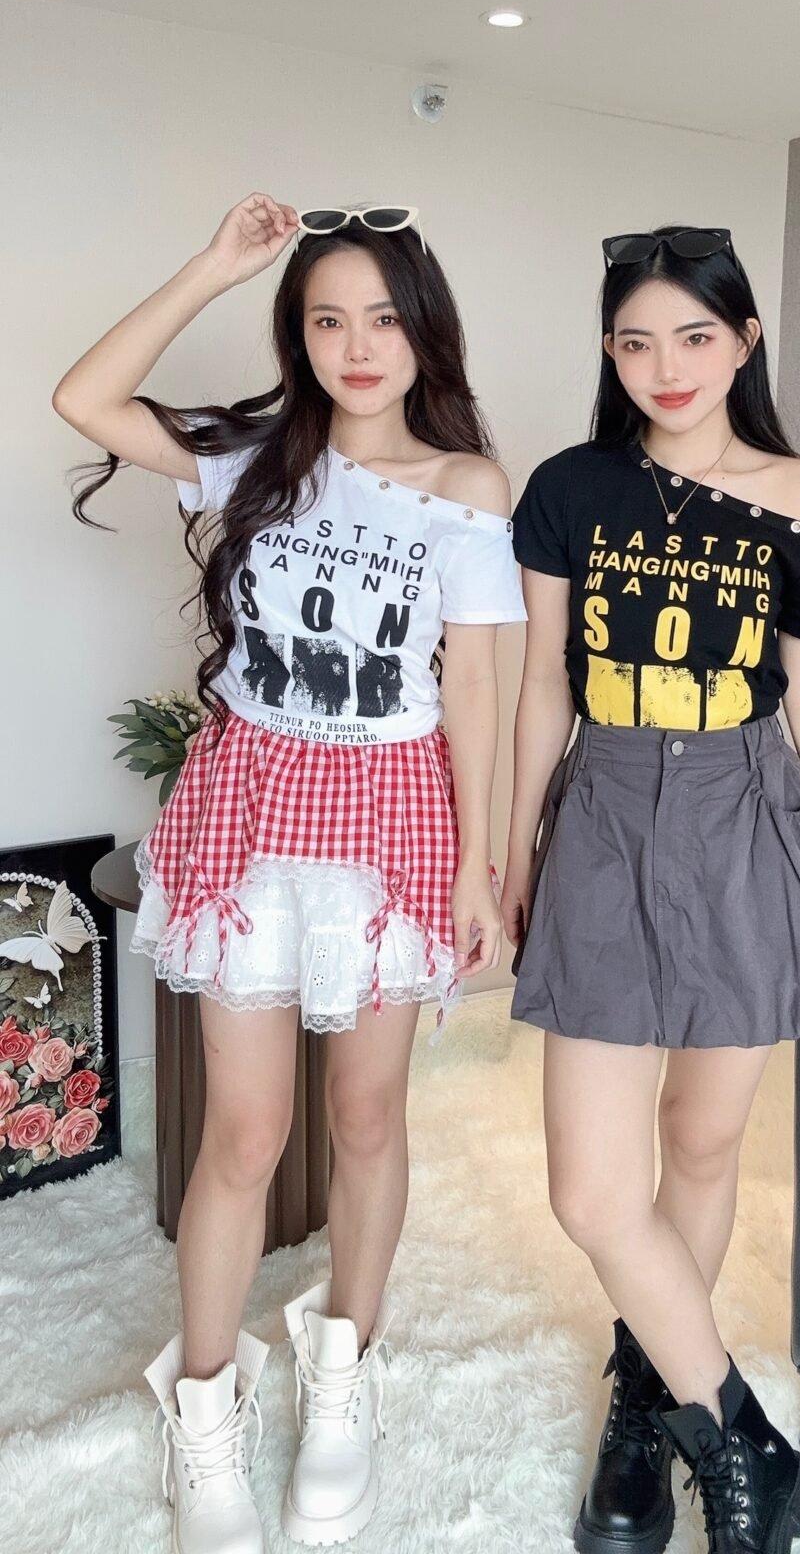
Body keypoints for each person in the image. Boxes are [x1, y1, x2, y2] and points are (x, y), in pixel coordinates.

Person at [53, 194, 525, 1553]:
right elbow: (85, 398)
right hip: (251, 807)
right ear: (297, 335)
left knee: (367, 1118)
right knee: (245, 1133)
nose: (357, 347)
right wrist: (212, 263)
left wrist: (482, 865)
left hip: (392, 813)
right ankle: (202, 1414)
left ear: (423, 331)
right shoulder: (256, 453)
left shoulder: (467, 486)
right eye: (327, 320)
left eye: (382, 318)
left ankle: (342, 1380)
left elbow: (479, 689)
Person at [500, 226, 800, 1554]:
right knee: (593, 1191)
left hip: (747, 816)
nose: (667, 366)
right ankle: (741, 1437)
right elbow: (540, 689)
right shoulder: (571, 487)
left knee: (702, 1146)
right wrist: (513, 856)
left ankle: (647, 1414)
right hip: (605, 813)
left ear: (745, 341)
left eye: (695, 336)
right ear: (608, 353)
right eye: (636, 341)